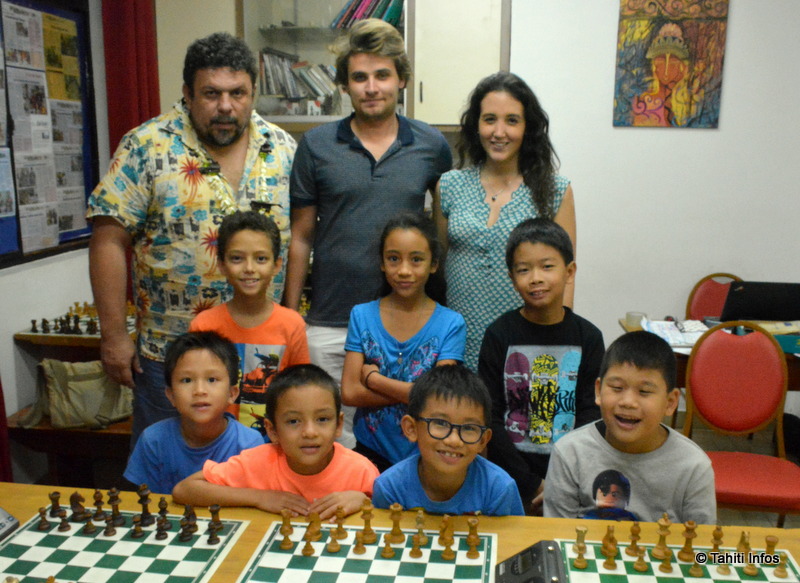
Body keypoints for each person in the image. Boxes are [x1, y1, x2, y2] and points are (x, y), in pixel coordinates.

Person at [87, 32, 296, 446]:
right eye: (211, 93)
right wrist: (113, 335)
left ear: (253, 91)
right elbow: (108, 240)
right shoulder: (146, 146)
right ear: (187, 92)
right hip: (173, 358)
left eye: (238, 93)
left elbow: (302, 239)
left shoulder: (284, 149)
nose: (225, 106)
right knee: (168, 482)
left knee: (255, 475)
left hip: (259, 356)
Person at [285, 18, 453, 447]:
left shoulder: (431, 146)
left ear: (401, 80)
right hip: (330, 319)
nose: (371, 87)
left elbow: (442, 234)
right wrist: (290, 319)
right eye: (359, 77)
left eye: (382, 75)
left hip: (404, 326)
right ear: (344, 85)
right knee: (324, 441)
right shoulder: (316, 146)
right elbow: (301, 237)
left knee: (401, 440)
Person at [434, 72, 576, 371]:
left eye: (512, 120)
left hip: (528, 344)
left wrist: (556, 345)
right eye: (489, 119)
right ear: (476, 125)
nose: (499, 132)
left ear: (528, 128)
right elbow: (439, 267)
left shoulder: (554, 190)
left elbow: (565, 278)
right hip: (457, 342)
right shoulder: (449, 186)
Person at [478, 218, 603, 515]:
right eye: (524, 269)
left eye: (547, 266)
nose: (535, 278)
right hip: (509, 477)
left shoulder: (589, 337)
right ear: (512, 277)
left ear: (569, 271)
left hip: (572, 476)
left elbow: (591, 412)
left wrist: (559, 480)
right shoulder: (499, 334)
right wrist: (532, 482)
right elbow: (489, 415)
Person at [544, 331, 716, 524]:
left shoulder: (693, 466)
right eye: (617, 388)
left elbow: (701, 546)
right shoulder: (569, 452)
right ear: (598, 390)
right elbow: (556, 536)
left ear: (670, 402)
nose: (628, 402)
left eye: (644, 391)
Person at [341, 212, 466, 471]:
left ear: (433, 264)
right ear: (382, 263)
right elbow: (350, 392)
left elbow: (437, 398)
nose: (404, 270)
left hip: (428, 452)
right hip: (369, 451)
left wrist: (374, 381)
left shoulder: (451, 323)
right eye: (394, 259)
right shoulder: (361, 315)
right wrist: (412, 394)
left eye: (416, 259)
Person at [172, 364, 379, 519]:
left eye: (322, 419)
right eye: (293, 421)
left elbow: (392, 512)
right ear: (272, 430)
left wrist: (363, 499)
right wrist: (260, 498)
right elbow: (185, 489)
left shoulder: (360, 470)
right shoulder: (259, 461)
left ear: (339, 424)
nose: (309, 432)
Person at [190, 210, 309, 432]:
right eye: (237, 258)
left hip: (271, 444)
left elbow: (299, 390)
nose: (249, 268)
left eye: (261, 258)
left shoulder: (292, 324)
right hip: (216, 442)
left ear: (276, 265)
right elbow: (195, 390)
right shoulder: (203, 325)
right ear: (222, 264)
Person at [122, 331, 263, 494]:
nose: (199, 390)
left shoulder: (249, 444)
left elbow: (253, 500)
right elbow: (147, 502)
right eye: (186, 380)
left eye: (212, 380)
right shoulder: (153, 440)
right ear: (171, 395)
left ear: (232, 393)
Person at [372, 365, 524, 516]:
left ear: (483, 441)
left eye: (469, 428)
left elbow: (513, 540)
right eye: (441, 423)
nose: (454, 440)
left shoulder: (499, 489)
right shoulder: (390, 488)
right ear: (411, 428)